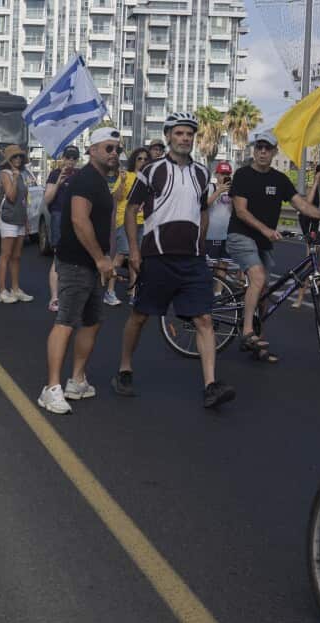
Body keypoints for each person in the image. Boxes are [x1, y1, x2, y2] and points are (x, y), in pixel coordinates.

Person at [113, 111, 236, 408]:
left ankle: (210, 385)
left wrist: (201, 243)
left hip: (192, 260)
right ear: (169, 136)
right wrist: (134, 249)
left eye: (189, 134)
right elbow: (131, 210)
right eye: (179, 133)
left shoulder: (201, 173)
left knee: (204, 319)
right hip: (158, 256)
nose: (185, 138)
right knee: (140, 316)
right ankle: (125, 368)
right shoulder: (152, 170)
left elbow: (202, 210)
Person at [226, 130, 320, 361]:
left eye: (267, 148)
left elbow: (302, 205)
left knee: (263, 292)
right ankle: (247, 331)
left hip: (263, 242)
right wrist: (265, 229)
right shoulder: (242, 175)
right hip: (241, 236)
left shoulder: (279, 179)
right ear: (254, 150)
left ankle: (258, 345)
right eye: (259, 147)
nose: (262, 152)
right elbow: (240, 211)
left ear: (274, 152)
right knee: (258, 278)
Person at [38, 128, 121, 415]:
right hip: (76, 263)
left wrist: (106, 258)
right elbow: (78, 220)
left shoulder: (101, 181)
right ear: (93, 150)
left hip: (94, 264)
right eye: (108, 148)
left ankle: (76, 380)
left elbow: (102, 223)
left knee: (91, 321)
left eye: (117, 149)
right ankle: (51, 388)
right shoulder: (85, 179)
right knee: (66, 322)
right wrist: (100, 259)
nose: (114, 154)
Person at [107, 147, 150, 305]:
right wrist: (123, 181)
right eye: (139, 159)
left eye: (146, 159)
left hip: (143, 222)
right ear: (134, 161)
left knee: (136, 258)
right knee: (121, 255)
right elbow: (116, 197)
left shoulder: (148, 179)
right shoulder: (126, 175)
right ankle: (110, 291)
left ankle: (133, 293)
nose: (143, 162)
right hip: (125, 221)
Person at [0, 144, 36, 306]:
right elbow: (11, 197)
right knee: (5, 255)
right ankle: (1, 290)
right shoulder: (5, 174)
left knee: (17, 256)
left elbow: (23, 201)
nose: (18, 159)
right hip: (8, 219)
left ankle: (15, 288)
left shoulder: (22, 174)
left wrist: (26, 222)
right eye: (14, 157)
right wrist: (14, 177)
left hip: (19, 219)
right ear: (8, 159)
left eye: (20, 157)